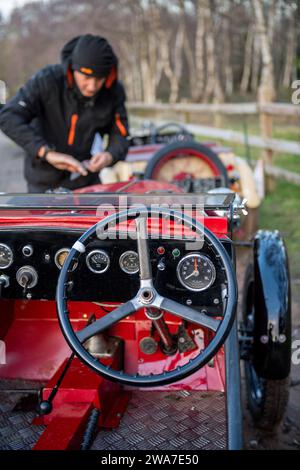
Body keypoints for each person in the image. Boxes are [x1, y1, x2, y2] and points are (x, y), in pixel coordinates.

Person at [0, 34, 129, 192]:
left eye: (99, 79)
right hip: (43, 181)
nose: (92, 86)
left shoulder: (113, 92)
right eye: (86, 77)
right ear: (73, 68)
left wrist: (109, 156)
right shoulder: (47, 81)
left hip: (86, 180)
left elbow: (121, 135)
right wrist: (45, 152)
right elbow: (8, 117)